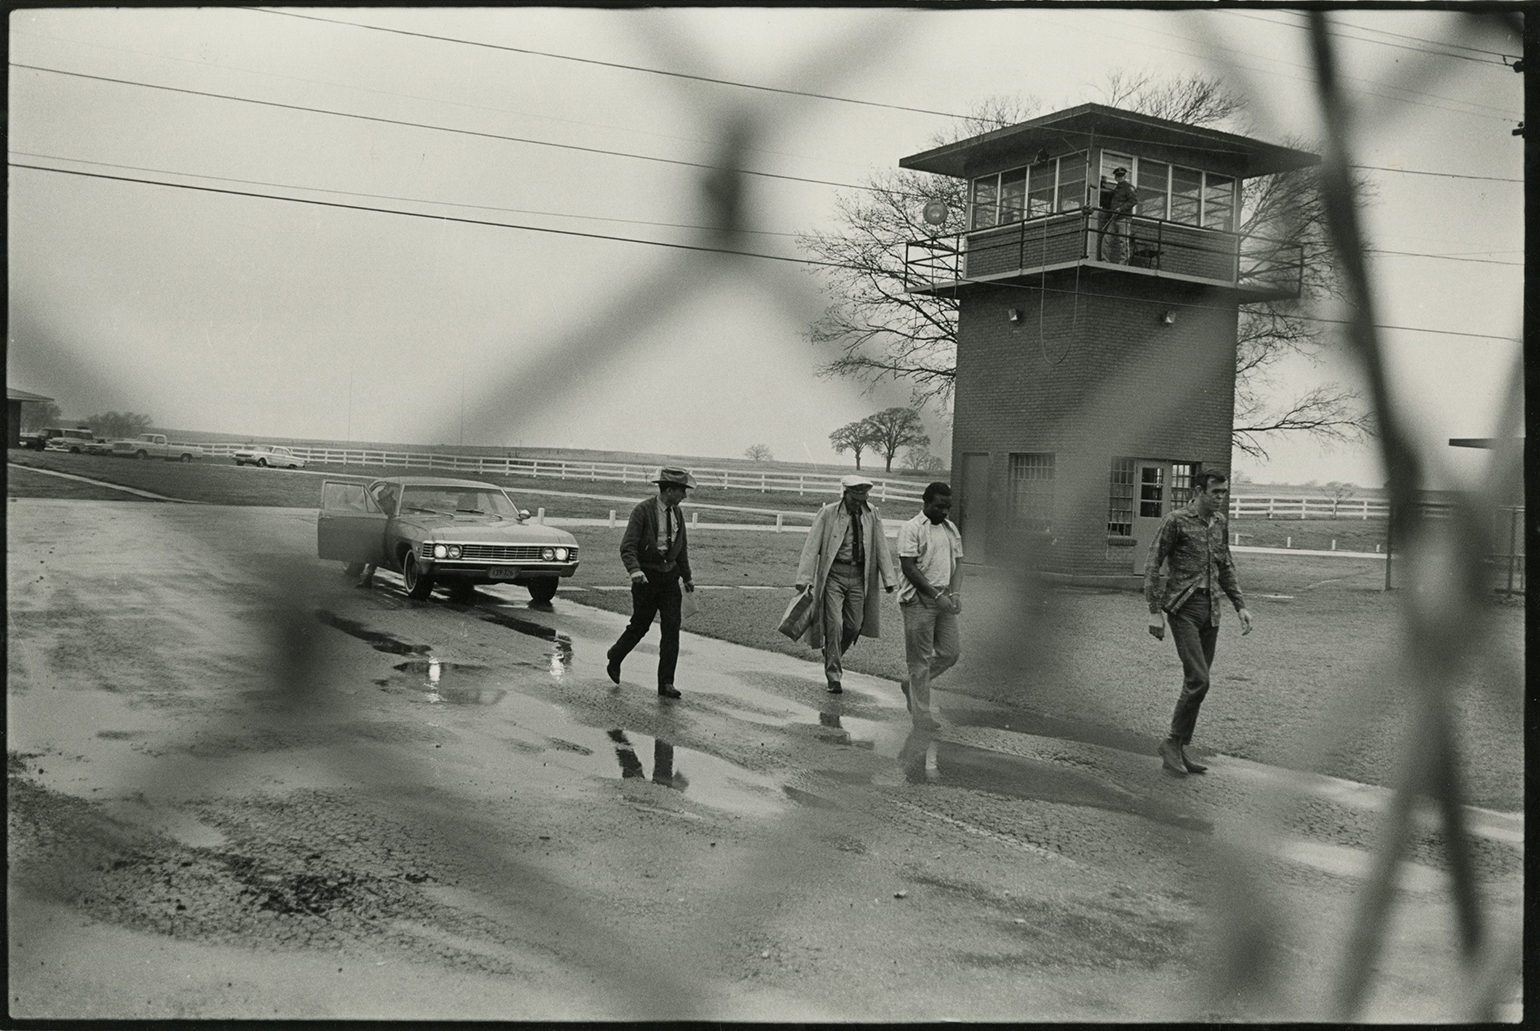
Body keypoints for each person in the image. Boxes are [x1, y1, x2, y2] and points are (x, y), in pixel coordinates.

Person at [1143, 470, 1254, 776]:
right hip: (1184, 609)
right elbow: (1153, 563)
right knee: (1200, 679)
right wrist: (1155, 610)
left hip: (1212, 610)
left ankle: (1178, 747)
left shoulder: (1219, 524)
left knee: (1196, 682)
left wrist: (1240, 606)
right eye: (1215, 492)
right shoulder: (1176, 520)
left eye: (1224, 493)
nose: (1221, 497)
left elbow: (1226, 566)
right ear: (1199, 491)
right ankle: (1172, 743)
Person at [795, 474, 897, 694]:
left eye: (863, 499)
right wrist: (804, 579)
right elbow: (811, 546)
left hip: (860, 577)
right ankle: (834, 677)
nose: (858, 503)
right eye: (855, 498)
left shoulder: (872, 514)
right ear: (845, 494)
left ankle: (832, 653)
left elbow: (880, 544)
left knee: (853, 625)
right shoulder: (828, 513)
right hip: (834, 576)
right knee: (834, 625)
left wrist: (889, 578)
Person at [607, 467, 696, 699]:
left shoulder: (677, 513)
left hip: (670, 579)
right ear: (668, 491)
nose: (684, 496)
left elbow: (681, 549)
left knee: (671, 630)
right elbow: (628, 546)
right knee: (640, 626)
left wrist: (687, 577)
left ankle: (666, 683)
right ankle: (615, 656)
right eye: (681, 491)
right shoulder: (643, 511)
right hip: (646, 578)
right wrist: (635, 570)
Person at [896, 481, 964, 731]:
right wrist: (936, 596)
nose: (944, 512)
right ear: (925, 503)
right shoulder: (911, 529)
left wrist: (955, 593)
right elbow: (909, 567)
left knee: (950, 653)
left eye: (948, 507)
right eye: (938, 506)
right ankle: (921, 716)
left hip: (944, 598)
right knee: (920, 661)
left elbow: (959, 563)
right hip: (918, 600)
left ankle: (910, 685)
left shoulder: (950, 529)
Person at [1102, 166, 1138, 263]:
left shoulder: (1128, 187)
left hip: (1124, 218)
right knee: (1106, 239)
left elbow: (1134, 200)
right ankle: (1105, 260)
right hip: (1114, 218)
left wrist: (1121, 209)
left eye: (1121, 175)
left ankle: (1124, 262)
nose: (1120, 177)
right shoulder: (1116, 189)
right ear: (1115, 177)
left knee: (1123, 240)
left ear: (1124, 176)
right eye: (1118, 176)